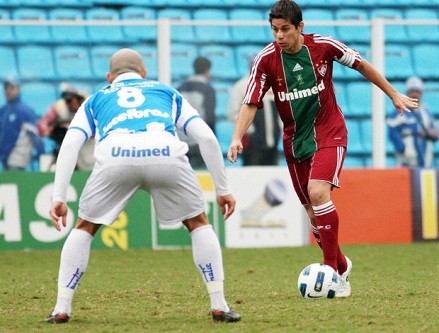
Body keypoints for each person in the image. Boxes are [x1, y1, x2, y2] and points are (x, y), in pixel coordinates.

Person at [227, 0, 418, 298]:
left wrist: (392, 94)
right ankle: (341, 263)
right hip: (295, 140)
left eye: (285, 29)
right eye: (275, 30)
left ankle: (331, 270)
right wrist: (237, 136)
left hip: (330, 131)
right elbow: (251, 101)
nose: (279, 36)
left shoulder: (324, 46)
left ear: (300, 27)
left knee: (318, 193)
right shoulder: (266, 60)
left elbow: (362, 65)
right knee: (313, 213)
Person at [45, 48, 240, 324]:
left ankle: (61, 308)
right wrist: (222, 189)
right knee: (198, 222)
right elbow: (206, 138)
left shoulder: (97, 97)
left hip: (116, 155)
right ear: (144, 73)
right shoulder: (166, 92)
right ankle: (219, 305)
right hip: (164, 152)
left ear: (109, 77)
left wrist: (59, 196)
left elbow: (71, 143)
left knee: (85, 227)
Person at [228, 65, 281, 166]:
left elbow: (282, 109)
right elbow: (233, 113)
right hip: (251, 142)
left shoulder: (273, 84)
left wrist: (280, 128)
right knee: (252, 172)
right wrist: (250, 130)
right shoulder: (241, 86)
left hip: (273, 140)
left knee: (272, 174)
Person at [38, 83, 95, 171]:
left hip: (88, 147)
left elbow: (98, 127)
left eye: (70, 100)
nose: (69, 103)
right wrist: (51, 131)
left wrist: (76, 130)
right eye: (66, 101)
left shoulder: (90, 105)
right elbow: (42, 124)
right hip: (68, 147)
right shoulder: (59, 106)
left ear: (78, 98)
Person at [387, 76, 438, 168]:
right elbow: (392, 131)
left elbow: (434, 131)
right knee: (406, 180)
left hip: (425, 158)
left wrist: (428, 133)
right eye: (412, 91)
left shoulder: (425, 112)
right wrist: (402, 148)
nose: (415, 94)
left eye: (417, 91)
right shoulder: (400, 111)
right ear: (407, 93)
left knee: (424, 180)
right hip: (406, 160)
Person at [177, 56, 216, 169]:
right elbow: (210, 117)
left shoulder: (180, 88)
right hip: (199, 142)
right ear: (207, 71)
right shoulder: (208, 89)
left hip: (181, 141)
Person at [0, 76, 44, 171]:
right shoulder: (3, 111)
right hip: (4, 161)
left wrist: (42, 156)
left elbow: (35, 136)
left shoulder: (25, 111)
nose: (8, 91)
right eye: (6, 88)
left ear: (18, 89)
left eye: (11, 88)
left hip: (17, 161)